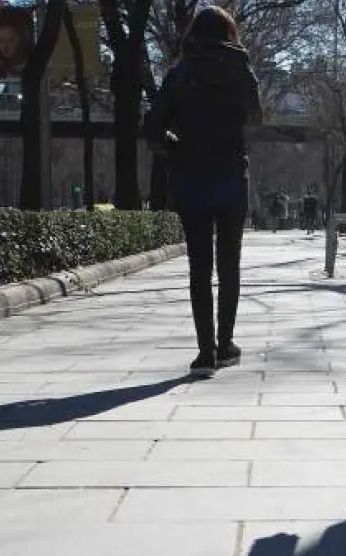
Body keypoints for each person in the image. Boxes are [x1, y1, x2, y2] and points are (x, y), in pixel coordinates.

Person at [142, 6, 263, 377]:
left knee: (199, 267)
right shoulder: (240, 67)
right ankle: (226, 345)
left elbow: (152, 130)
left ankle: (204, 352)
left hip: (192, 177)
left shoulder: (179, 73)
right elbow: (256, 117)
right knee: (229, 265)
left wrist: (177, 147)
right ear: (229, 32)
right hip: (231, 175)